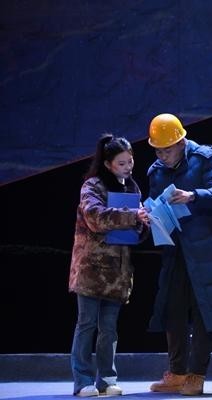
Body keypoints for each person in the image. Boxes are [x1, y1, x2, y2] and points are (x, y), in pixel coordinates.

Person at [146, 113, 212, 396]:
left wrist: (193, 195)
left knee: (206, 311)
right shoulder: (156, 171)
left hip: (208, 250)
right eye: (158, 151)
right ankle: (177, 372)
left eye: (167, 150)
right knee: (173, 310)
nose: (162, 156)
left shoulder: (206, 159)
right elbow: (156, 204)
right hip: (175, 250)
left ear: (181, 142)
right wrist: (149, 215)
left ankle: (196, 373)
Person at [68, 134, 149, 397]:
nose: (128, 167)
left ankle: (106, 379)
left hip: (117, 273)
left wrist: (144, 223)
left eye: (130, 162)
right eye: (121, 163)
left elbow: (135, 230)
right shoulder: (92, 186)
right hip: (92, 269)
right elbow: (95, 217)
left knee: (109, 329)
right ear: (108, 164)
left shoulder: (132, 188)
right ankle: (82, 381)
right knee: (86, 324)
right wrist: (132, 216)